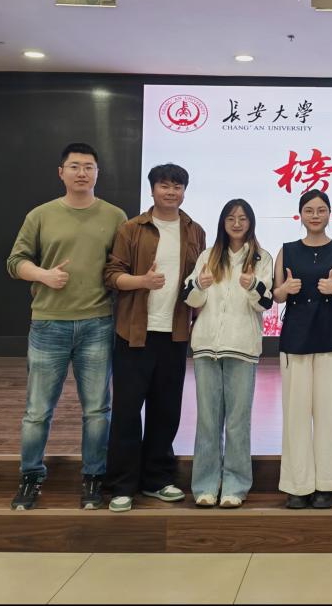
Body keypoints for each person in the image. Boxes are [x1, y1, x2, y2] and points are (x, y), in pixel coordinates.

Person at [6, 142, 126, 510]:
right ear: (61, 173)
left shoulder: (115, 216)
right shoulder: (41, 215)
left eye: (89, 167)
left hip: (97, 324)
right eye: (74, 166)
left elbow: (120, 266)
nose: (82, 173)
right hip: (49, 324)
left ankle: (93, 477)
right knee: (37, 410)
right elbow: (15, 262)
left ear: (97, 173)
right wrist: (43, 274)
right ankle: (31, 476)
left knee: (97, 410)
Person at [102, 163, 206, 512]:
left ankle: (157, 480)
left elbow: (199, 280)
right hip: (134, 332)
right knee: (127, 411)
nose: (171, 192)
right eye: (164, 185)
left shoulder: (195, 231)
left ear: (184, 192)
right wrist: (142, 282)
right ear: (152, 190)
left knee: (166, 410)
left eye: (177, 186)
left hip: (174, 333)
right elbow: (111, 275)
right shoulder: (131, 228)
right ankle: (122, 485)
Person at [184, 199, 274, 508]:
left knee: (238, 421)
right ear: (223, 222)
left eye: (243, 218)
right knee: (208, 421)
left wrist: (253, 285)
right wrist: (200, 284)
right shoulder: (208, 256)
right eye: (231, 218)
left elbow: (265, 303)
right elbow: (191, 299)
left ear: (251, 223)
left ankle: (235, 486)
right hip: (206, 346)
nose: (237, 224)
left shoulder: (261, 258)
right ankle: (205, 486)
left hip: (242, 347)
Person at [273, 189, 332, 509]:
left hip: (331, 337)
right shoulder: (287, 250)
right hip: (295, 339)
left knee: (331, 413)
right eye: (309, 210)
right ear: (301, 214)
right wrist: (285, 289)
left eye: (321, 210)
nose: (316, 215)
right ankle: (298, 485)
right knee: (295, 415)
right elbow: (276, 295)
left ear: (330, 213)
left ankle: (328, 485)